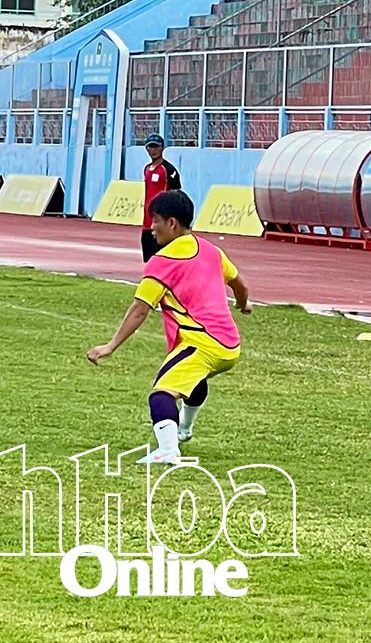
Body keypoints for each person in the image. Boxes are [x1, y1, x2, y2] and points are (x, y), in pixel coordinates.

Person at [87, 191, 251, 466]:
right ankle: (184, 429)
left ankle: (168, 450)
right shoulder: (212, 250)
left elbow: (140, 310)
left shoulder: (161, 263)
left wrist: (110, 346)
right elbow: (240, 286)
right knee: (194, 380)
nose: (151, 228)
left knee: (161, 394)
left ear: (172, 223)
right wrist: (243, 305)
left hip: (202, 343)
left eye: (156, 221)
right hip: (230, 346)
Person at [140, 133, 182, 262]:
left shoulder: (168, 170)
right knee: (148, 259)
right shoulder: (147, 169)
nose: (153, 150)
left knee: (163, 258)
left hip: (162, 220)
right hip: (147, 221)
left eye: (156, 146)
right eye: (151, 147)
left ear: (162, 148)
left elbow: (177, 193)